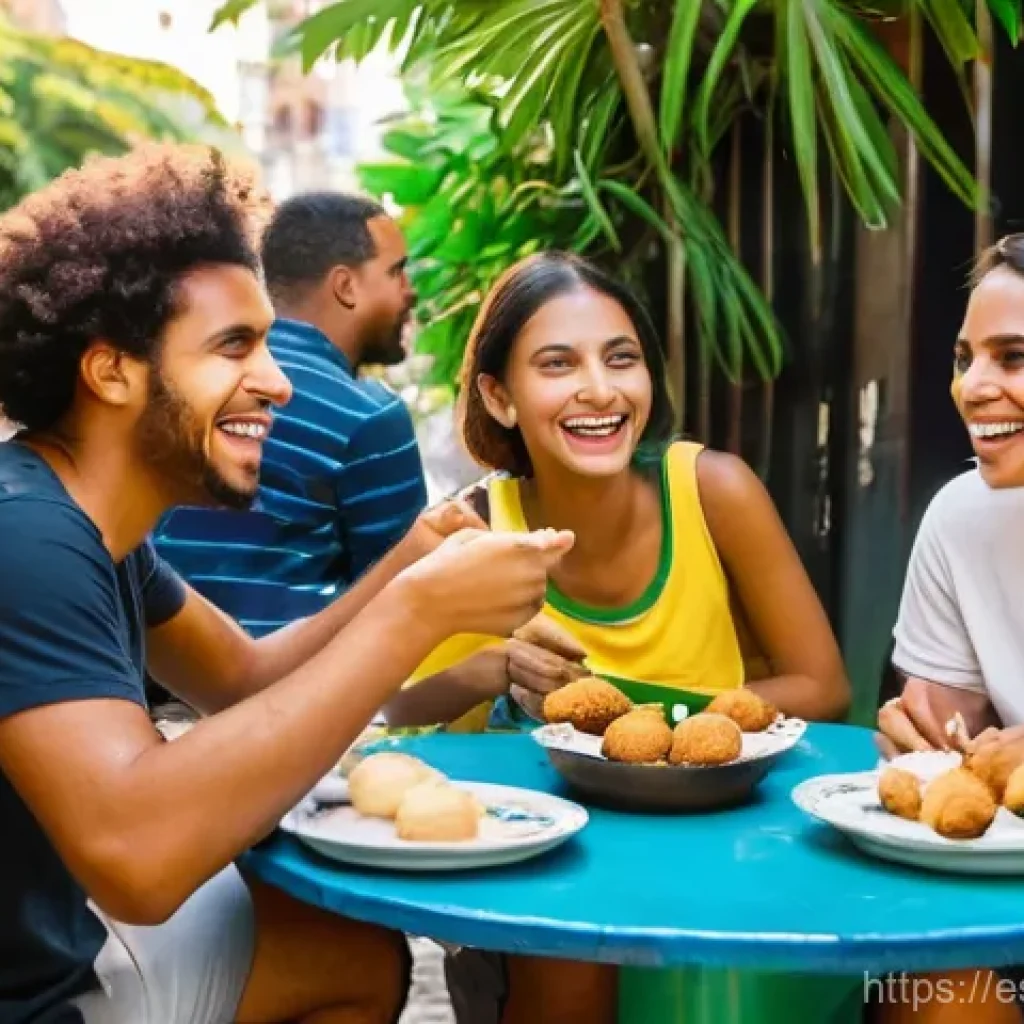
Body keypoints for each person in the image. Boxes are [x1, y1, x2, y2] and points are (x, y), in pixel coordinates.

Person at [0, 143, 573, 1024]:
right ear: (111, 369)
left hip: (57, 945)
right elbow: (139, 857)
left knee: (345, 951)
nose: (275, 383)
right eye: (235, 346)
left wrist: (410, 561)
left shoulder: (93, 532)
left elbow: (245, 681)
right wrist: (417, 615)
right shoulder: (28, 536)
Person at [384, 252, 851, 1024]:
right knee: (564, 964)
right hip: (541, 855)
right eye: (557, 364)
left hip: (717, 835)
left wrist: (643, 727)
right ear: (499, 396)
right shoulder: (472, 528)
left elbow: (820, 686)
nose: (599, 390)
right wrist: (488, 669)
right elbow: (396, 704)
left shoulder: (712, 491)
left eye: (621, 359)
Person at [154, 191, 427, 638]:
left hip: (146, 675)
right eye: (396, 272)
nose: (409, 291)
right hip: (291, 691)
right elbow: (400, 602)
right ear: (345, 286)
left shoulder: (186, 379)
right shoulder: (370, 417)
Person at [873, 234, 1024, 1024]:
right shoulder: (960, 518)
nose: (976, 387)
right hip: (1005, 917)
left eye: (1015, 356)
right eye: (968, 358)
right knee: (933, 990)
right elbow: (946, 732)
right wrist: (922, 744)